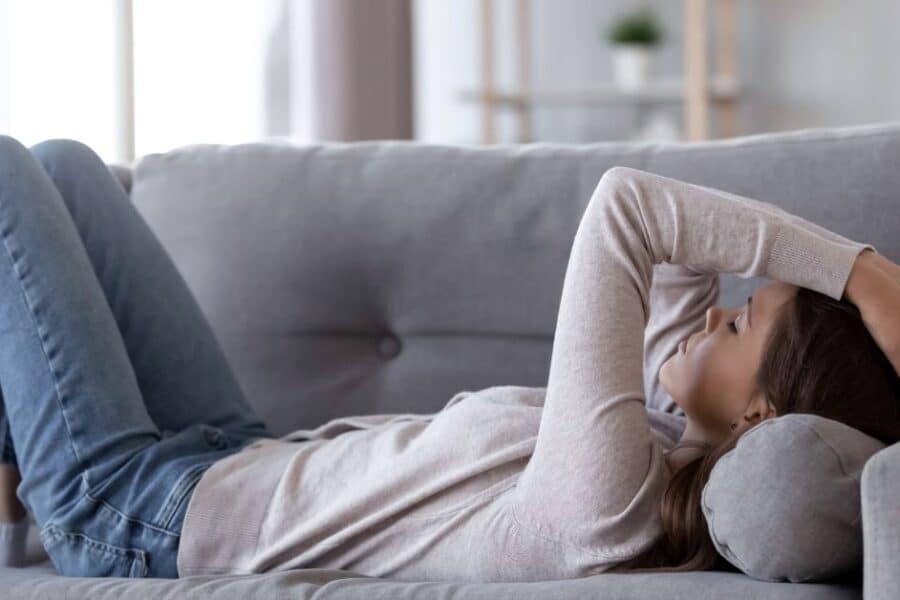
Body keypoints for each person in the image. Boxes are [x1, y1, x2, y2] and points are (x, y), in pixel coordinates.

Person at [0, 137, 897, 581]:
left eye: (741, 329)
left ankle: (31, 495)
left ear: (755, 420)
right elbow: (682, 257)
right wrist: (835, 294)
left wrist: (860, 272)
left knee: (8, 171)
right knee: (67, 165)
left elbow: (631, 211)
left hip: (137, 517)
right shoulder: (660, 436)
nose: (719, 316)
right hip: (234, 455)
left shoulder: (606, 503)